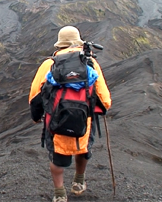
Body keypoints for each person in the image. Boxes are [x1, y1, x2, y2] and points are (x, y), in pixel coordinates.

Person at [29, 26, 112, 202]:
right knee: (82, 149)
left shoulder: (49, 64)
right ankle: (79, 181)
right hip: (84, 120)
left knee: (58, 159)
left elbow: (35, 95)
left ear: (60, 44)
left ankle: (60, 193)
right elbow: (104, 97)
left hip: (56, 121)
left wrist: (36, 117)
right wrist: (97, 110)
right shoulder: (90, 63)